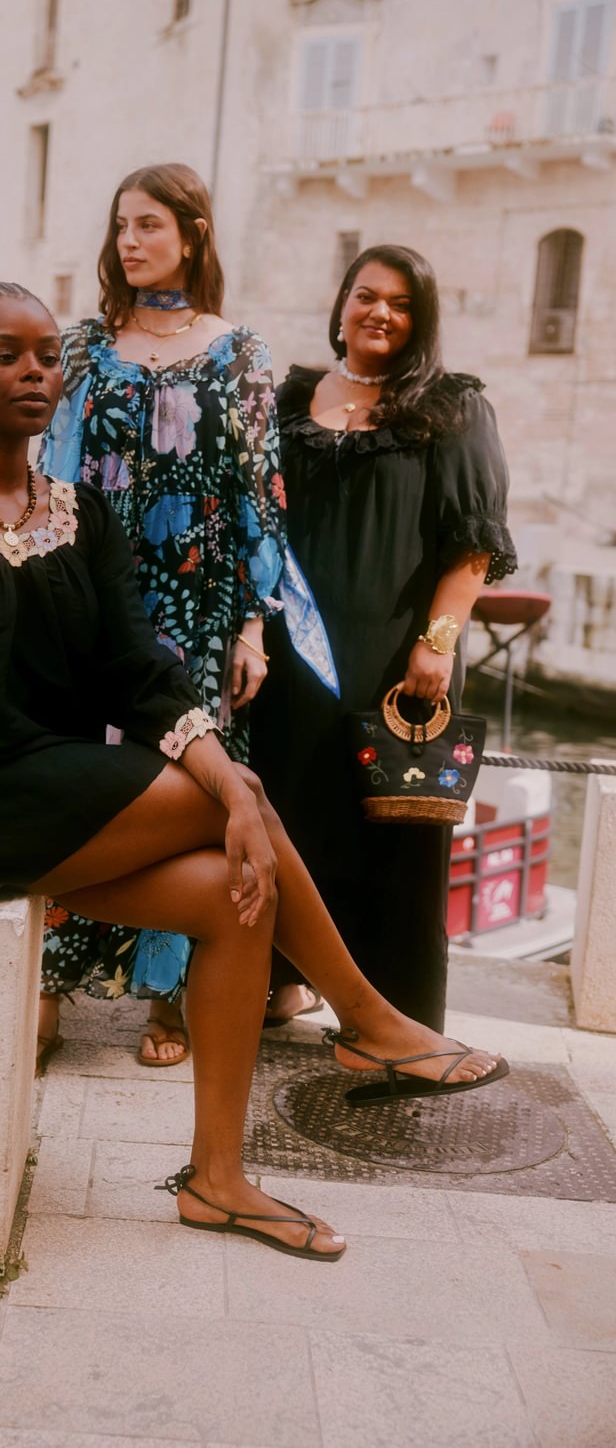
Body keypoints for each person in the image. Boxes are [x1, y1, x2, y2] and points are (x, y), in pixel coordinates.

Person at [0, 280, 506, 1263]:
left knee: (234, 893)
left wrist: (213, 762)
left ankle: (218, 1179)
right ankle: (369, 1018)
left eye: (44, 355)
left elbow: (137, 671)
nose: (32, 370)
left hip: (46, 786)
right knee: (237, 806)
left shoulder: (77, 513)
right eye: (5, 353)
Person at [37, 162, 331, 1073]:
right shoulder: (85, 346)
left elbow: (259, 496)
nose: (130, 241)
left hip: (198, 609)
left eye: (150, 225)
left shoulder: (239, 351)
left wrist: (253, 626)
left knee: (195, 794)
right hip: (93, 602)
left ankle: (169, 995)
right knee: (81, 781)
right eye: (121, 225)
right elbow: (54, 472)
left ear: (194, 233)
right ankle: (49, 980)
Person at [251, 245, 518, 1033]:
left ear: (419, 321)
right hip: (293, 650)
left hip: (400, 660)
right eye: (366, 296)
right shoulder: (291, 396)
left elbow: (473, 547)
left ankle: (390, 1011)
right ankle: (281, 978)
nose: (380, 313)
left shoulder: (452, 407)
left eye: (401, 304)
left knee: (389, 836)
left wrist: (437, 642)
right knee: (290, 812)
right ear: (341, 305)